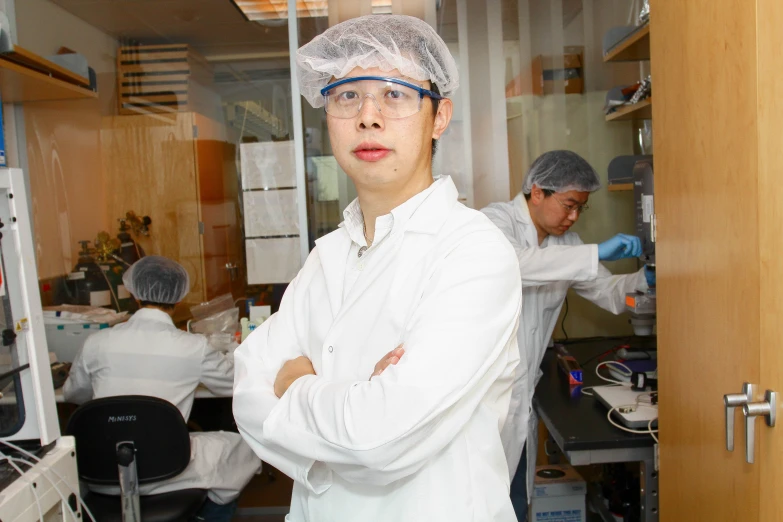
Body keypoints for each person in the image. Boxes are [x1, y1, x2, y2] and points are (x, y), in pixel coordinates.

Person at [233, 14, 525, 522]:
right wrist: (353, 403)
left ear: (439, 117)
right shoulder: (326, 257)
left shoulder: (473, 251)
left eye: (395, 94)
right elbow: (246, 392)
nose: (368, 116)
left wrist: (295, 386)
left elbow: (379, 439)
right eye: (347, 95)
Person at [481, 150, 654, 521]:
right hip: (482, 402)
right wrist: (594, 253)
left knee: (513, 502)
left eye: (581, 208)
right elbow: (514, 265)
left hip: (520, 399)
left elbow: (608, 292)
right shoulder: (493, 223)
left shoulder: (569, 246)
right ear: (538, 191)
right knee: (475, 502)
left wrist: (643, 282)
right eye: (569, 205)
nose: (574, 217)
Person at [63, 256, 261, 522]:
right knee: (242, 450)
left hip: (102, 473)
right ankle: (205, 516)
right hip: (169, 470)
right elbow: (233, 382)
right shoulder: (192, 347)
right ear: (179, 297)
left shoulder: (96, 343)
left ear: (134, 294)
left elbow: (73, 395)